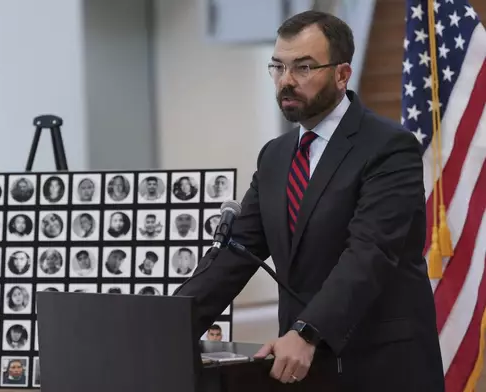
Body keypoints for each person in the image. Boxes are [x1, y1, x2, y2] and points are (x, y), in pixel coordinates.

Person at [174, 10, 443, 391]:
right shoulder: (275, 156)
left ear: (342, 74)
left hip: (380, 366)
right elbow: (237, 252)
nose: (286, 81)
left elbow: (370, 253)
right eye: (278, 67)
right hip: (302, 368)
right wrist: (167, 327)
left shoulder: (388, 147)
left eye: (303, 68)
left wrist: (308, 331)